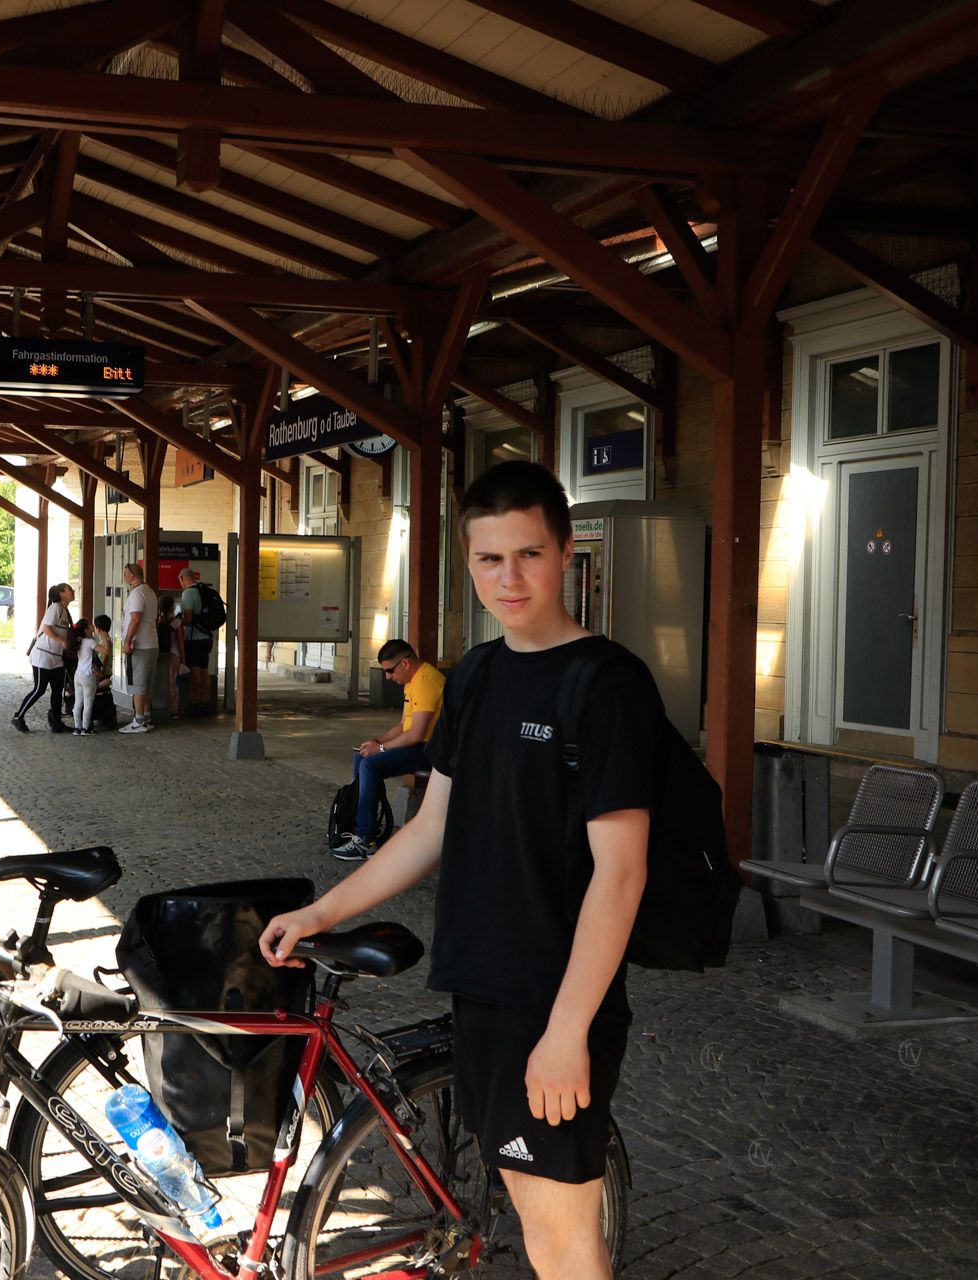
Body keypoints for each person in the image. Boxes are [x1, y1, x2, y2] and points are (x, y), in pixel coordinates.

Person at [259, 460, 654, 1280]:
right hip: (479, 985)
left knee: (561, 1237)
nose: (510, 578)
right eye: (489, 559)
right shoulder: (473, 676)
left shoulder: (607, 685)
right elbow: (431, 826)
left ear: (567, 552)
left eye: (530, 554)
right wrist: (322, 912)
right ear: (468, 561)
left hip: (551, 998)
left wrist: (567, 1031)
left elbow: (621, 874)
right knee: (529, 1201)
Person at [331, 639, 445, 863]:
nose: (388, 677)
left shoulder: (426, 681)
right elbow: (404, 725)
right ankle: (357, 826)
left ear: (405, 663)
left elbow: (417, 734)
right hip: (419, 745)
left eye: (390, 671)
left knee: (371, 764)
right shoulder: (412, 681)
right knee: (362, 755)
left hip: (431, 749)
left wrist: (380, 748)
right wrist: (375, 741)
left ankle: (365, 839)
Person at [12, 582, 74, 733]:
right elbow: (46, 628)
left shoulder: (64, 610)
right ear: (62, 594)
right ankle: (18, 717)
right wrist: (61, 641)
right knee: (39, 689)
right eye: (69, 589)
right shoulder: (55, 608)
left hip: (56, 658)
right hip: (43, 657)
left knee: (57, 690)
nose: (73, 591)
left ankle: (56, 722)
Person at [118, 563, 160, 734]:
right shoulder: (149, 591)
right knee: (147, 683)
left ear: (132, 575)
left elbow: (135, 619)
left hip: (139, 645)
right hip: (151, 643)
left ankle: (138, 720)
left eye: (125, 574)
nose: (124, 577)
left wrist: (127, 640)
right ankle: (147, 717)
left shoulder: (137, 594)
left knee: (138, 683)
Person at [177, 568, 218, 716]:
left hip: (193, 638)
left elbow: (188, 618)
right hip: (207, 637)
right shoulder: (205, 590)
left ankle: (195, 704)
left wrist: (178, 622)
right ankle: (206, 703)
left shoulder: (188, 593)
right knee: (204, 670)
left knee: (194, 672)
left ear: (183, 578)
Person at [72, 614, 111, 736]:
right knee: (88, 703)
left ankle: (77, 728)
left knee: (78, 703)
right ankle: (86, 728)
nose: (93, 626)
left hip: (77, 675)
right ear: (86, 629)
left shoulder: (79, 641)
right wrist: (105, 638)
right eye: (90, 625)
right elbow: (106, 651)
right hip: (88, 677)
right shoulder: (90, 641)